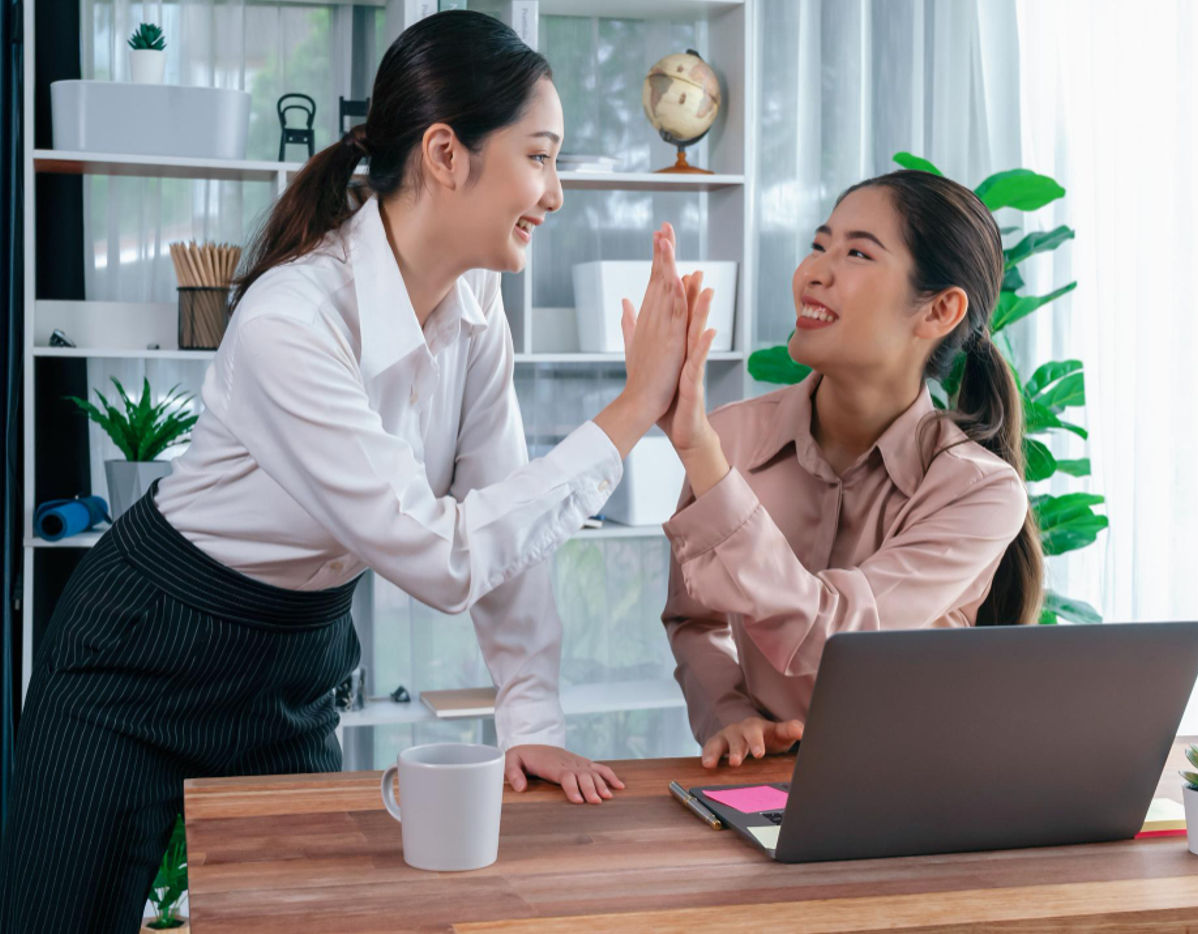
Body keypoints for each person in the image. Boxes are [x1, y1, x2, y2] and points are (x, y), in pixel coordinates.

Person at [1, 11, 702, 932]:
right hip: (140, 651)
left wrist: (531, 722)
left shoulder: (478, 301)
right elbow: (441, 557)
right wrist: (629, 412)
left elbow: (501, 523)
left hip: (295, 656)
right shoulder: (292, 319)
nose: (557, 193)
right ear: (447, 154)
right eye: (539, 157)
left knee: (308, 916)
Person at [658, 170, 1044, 768]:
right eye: (819, 245)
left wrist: (700, 454)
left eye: (858, 253)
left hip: (915, 793)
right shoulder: (730, 437)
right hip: (761, 789)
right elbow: (694, 620)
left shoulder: (978, 491)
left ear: (940, 309)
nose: (814, 271)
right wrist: (730, 715)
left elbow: (835, 634)